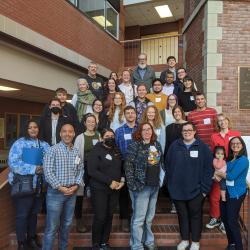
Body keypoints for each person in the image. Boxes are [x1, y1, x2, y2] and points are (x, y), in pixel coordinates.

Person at [165, 122, 213, 250]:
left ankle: (196, 242)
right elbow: (168, 166)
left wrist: (204, 190)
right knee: (182, 216)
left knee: (196, 216)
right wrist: (170, 185)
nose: (187, 132)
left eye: (189, 130)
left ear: (194, 131)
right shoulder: (175, 146)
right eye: (184, 130)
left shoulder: (202, 147)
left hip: (197, 191)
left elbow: (209, 169)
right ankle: (185, 240)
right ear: (181, 133)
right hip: (177, 191)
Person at [8, 120, 50, 250]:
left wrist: (43, 167)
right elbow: (13, 163)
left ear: (39, 129)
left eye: (35, 127)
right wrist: (34, 169)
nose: (33, 130)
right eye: (30, 127)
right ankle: (21, 243)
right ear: (25, 130)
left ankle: (32, 239)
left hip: (39, 185)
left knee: (33, 214)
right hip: (23, 185)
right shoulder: (19, 143)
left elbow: (51, 160)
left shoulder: (44, 144)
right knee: (22, 214)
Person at [42, 123, 84, 250]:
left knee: (66, 225)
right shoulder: (52, 150)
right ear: (60, 134)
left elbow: (80, 170)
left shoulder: (76, 151)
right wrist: (60, 187)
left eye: (70, 131)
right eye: (64, 131)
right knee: (52, 227)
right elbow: (48, 172)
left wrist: (76, 185)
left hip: (72, 193)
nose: (67, 134)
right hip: (56, 194)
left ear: (74, 134)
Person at [125, 122, 163, 250]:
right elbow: (128, 165)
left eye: (149, 129)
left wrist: (161, 180)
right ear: (140, 132)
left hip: (154, 186)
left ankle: (149, 241)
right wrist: (132, 184)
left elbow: (160, 163)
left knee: (149, 218)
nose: (147, 132)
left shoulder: (156, 144)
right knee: (139, 219)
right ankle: (136, 245)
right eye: (144, 130)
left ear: (152, 131)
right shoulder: (134, 145)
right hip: (141, 187)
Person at [87, 128, 124, 250]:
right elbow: (92, 171)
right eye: (107, 136)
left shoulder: (116, 150)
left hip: (114, 190)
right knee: (100, 216)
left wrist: (122, 180)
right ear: (102, 138)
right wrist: (109, 182)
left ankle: (104, 242)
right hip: (99, 189)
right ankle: (96, 244)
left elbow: (122, 168)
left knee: (109, 215)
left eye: (112, 136)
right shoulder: (96, 150)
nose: (110, 138)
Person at [207, 114, 240, 233]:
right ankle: (215, 217)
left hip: (231, 169)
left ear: (228, 121)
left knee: (228, 196)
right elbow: (212, 153)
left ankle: (226, 221)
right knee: (215, 196)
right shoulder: (214, 136)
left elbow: (240, 151)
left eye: (224, 120)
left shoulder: (235, 134)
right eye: (219, 121)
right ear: (217, 124)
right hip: (219, 170)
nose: (222, 122)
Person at [215, 136, 249, 250]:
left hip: (236, 193)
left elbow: (231, 176)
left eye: (238, 143)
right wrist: (219, 173)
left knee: (232, 220)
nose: (235, 145)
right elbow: (223, 173)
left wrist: (218, 173)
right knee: (225, 219)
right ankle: (232, 244)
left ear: (242, 145)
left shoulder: (243, 160)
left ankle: (239, 247)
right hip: (226, 192)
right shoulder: (229, 159)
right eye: (233, 143)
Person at [74, 113, 100, 233]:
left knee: (97, 194)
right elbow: (76, 156)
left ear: (95, 123)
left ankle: (98, 219)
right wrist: (76, 168)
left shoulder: (99, 136)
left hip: (96, 169)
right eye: (88, 121)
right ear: (85, 123)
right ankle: (79, 220)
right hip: (83, 168)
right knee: (79, 194)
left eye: (93, 121)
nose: (91, 123)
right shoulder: (80, 137)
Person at [115, 106, 137, 232]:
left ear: (135, 114)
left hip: (138, 165)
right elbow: (116, 149)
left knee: (137, 193)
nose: (130, 115)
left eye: (132, 112)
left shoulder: (141, 128)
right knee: (123, 194)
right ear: (124, 115)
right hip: (123, 164)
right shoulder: (118, 131)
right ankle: (124, 219)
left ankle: (135, 219)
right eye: (127, 113)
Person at [164, 105, 186, 214]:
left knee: (184, 181)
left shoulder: (188, 126)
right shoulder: (169, 127)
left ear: (182, 112)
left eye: (179, 111)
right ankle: (174, 204)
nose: (177, 113)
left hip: (185, 159)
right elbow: (166, 144)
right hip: (172, 159)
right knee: (173, 182)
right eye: (175, 112)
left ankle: (183, 203)